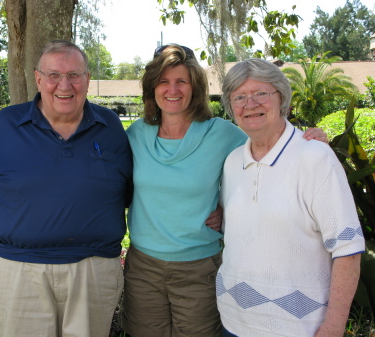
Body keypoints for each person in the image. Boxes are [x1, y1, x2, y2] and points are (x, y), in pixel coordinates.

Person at [121, 44, 328, 337]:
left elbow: (270, 151)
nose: (173, 89)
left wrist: (309, 143)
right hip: (143, 267)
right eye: (163, 82)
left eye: (182, 81)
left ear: (195, 87)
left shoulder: (222, 133)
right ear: (152, 88)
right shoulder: (135, 135)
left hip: (198, 269)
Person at [0, 40, 133, 337]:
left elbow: (144, 194)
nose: (64, 85)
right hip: (20, 272)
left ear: (88, 79)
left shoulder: (111, 128)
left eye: (74, 75)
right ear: (38, 78)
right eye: (53, 75)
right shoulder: (6, 125)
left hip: (93, 273)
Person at [216, 58, 365, 337]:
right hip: (233, 324)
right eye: (239, 97)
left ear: (282, 98)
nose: (250, 104)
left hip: (298, 329)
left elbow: (348, 249)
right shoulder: (233, 162)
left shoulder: (315, 158)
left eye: (261, 93)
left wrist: (333, 327)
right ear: (231, 106)